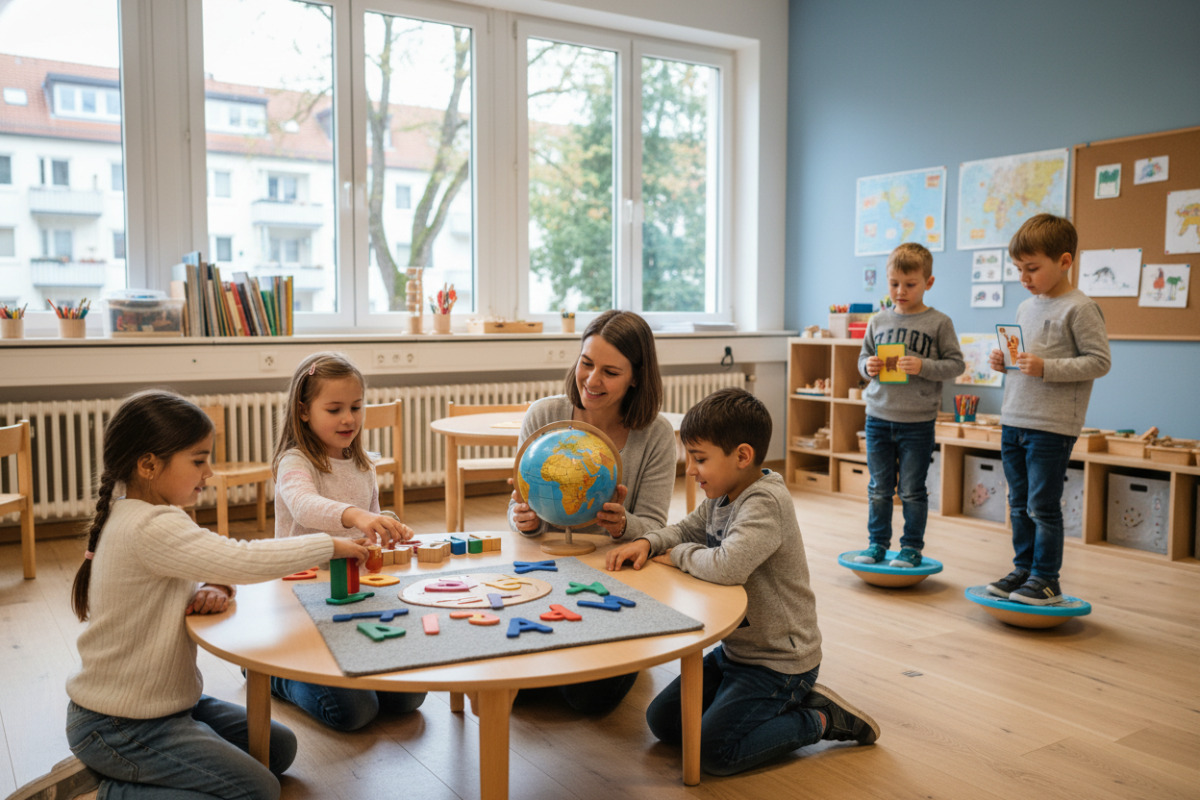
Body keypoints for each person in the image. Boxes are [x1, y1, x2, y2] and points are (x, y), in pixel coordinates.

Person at [10, 390, 371, 800]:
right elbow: (239, 558)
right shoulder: (151, 526)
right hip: (122, 723)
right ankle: (100, 794)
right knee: (258, 791)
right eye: (198, 461)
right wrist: (330, 544)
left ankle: (115, 772)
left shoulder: (142, 514)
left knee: (278, 748)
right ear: (148, 464)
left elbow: (208, 563)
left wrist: (213, 583)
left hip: (168, 706)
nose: (209, 472)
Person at [605, 387, 878, 776]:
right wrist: (648, 542)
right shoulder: (722, 494)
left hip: (780, 663)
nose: (691, 469)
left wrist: (676, 556)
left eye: (700, 459)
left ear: (742, 456)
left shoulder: (765, 503)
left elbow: (727, 566)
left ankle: (819, 718)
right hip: (737, 654)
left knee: (712, 753)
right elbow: (686, 528)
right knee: (663, 723)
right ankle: (773, 709)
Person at [508, 309, 676, 712]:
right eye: (586, 363)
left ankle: (606, 655)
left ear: (636, 376)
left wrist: (623, 525)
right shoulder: (545, 417)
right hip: (549, 577)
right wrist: (524, 521)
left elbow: (654, 528)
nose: (592, 380)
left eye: (610, 372)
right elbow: (522, 503)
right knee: (515, 693)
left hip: (612, 582)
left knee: (589, 699)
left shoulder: (656, 435)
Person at [270, 351, 426, 730]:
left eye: (356, 407)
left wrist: (387, 525)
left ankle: (345, 664)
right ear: (304, 411)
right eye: (335, 408)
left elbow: (369, 521)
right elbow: (306, 506)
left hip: (357, 597)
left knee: (410, 697)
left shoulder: (363, 464)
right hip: (305, 598)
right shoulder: (295, 462)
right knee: (355, 712)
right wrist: (357, 515)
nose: (349, 418)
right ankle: (277, 676)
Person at [987, 214, 1111, 605]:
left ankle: (1046, 579)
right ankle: (1024, 569)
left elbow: (1099, 361)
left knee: (1043, 506)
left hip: (1052, 425)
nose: (1024, 277)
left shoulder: (1080, 308)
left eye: (1032, 268)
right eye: (1019, 269)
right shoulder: (1027, 306)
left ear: (1064, 261)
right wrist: (1004, 361)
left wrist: (1046, 368)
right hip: (1015, 418)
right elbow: (1027, 359)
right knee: (1019, 505)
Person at [854, 242, 964, 568]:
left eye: (910, 284)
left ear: (928, 283)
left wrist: (923, 366)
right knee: (879, 488)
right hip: (878, 416)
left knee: (913, 489)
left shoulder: (939, 323)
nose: (900, 291)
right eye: (894, 284)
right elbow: (862, 359)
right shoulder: (878, 321)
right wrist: (867, 368)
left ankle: (911, 547)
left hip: (917, 421)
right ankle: (877, 544)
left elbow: (956, 365)